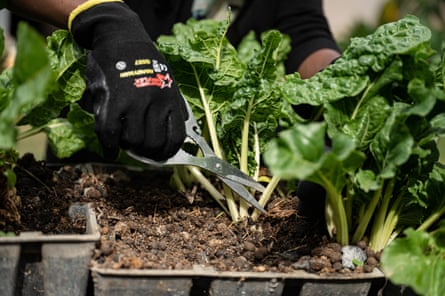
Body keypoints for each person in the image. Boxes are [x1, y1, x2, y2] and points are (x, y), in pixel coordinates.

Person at [5, 0, 339, 229]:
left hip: (212, 176)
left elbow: (304, 29)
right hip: (103, 148)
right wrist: (103, 17)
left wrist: (341, 90)